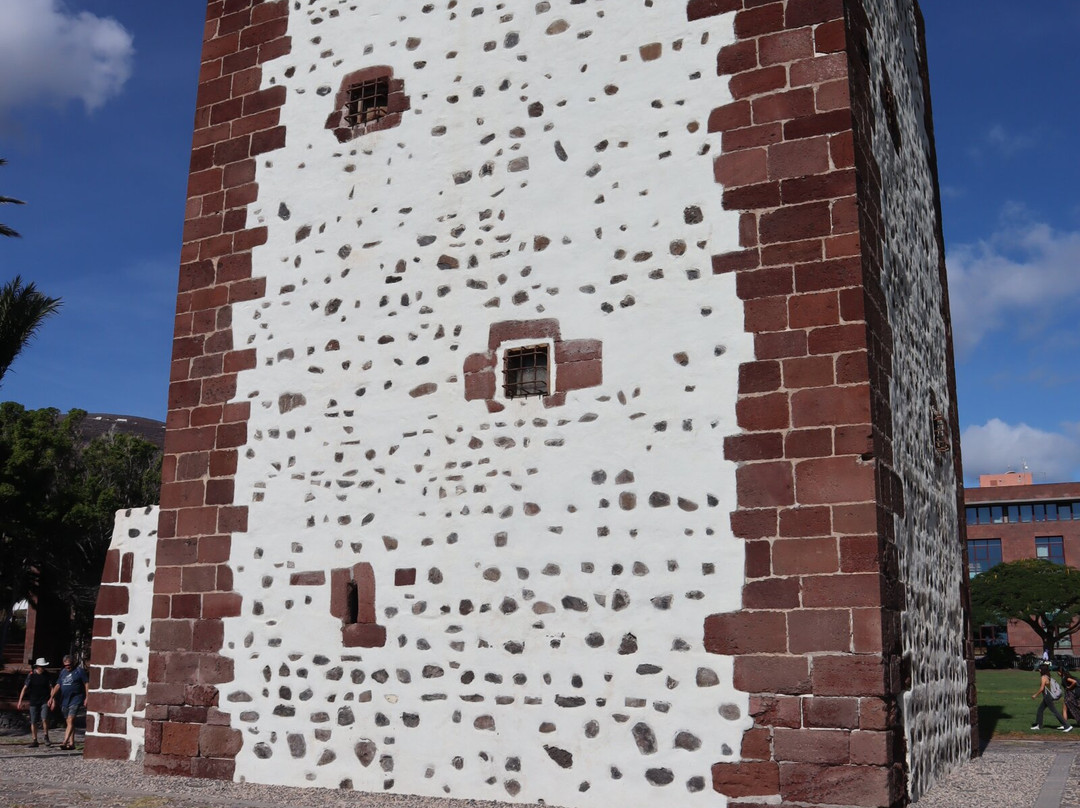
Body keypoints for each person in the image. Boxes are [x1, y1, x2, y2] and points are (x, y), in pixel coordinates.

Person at [48, 655, 88, 750]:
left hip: (76, 698)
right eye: (65, 665)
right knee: (69, 722)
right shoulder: (63, 672)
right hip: (65, 700)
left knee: (70, 720)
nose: (67, 667)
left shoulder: (79, 671)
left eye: (69, 665)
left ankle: (64, 741)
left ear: (72, 663)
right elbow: (58, 685)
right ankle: (72, 743)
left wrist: (87, 697)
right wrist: (51, 697)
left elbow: (86, 683)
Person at [15, 658, 52, 748]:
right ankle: (34, 740)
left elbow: (51, 687)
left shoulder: (47, 675)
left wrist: (52, 699)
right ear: (38, 667)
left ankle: (46, 736)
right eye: (42, 667)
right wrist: (20, 700)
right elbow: (25, 688)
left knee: (44, 718)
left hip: (44, 699)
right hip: (34, 700)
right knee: (33, 721)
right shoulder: (31, 675)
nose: (43, 668)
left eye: (44, 667)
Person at [1031, 662, 1072, 732]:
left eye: (1040, 669)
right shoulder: (1048, 676)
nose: (1039, 670)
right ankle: (1039, 725)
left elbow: (1041, 688)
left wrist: (1035, 695)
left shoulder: (1043, 677)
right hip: (1047, 696)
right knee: (1040, 710)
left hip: (1048, 697)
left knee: (1055, 712)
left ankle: (1067, 726)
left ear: (1042, 670)